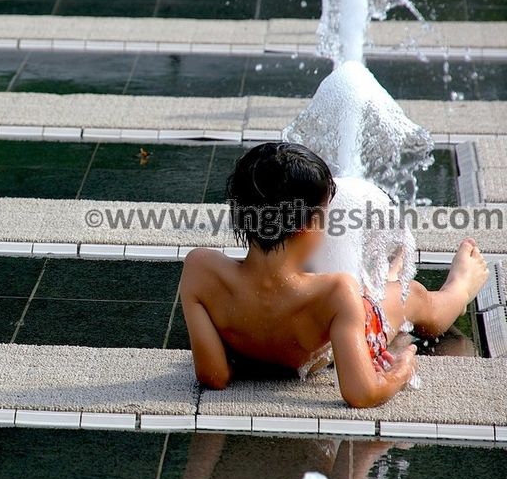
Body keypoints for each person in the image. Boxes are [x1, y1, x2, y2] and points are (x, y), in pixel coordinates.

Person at [179, 142, 488, 409]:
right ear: (306, 227)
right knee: (410, 296)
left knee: (379, 280)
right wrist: (401, 372)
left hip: (298, 305)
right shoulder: (336, 292)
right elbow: (362, 392)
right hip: (327, 329)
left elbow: (214, 375)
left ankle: (389, 271)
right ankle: (459, 290)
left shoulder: (201, 270)